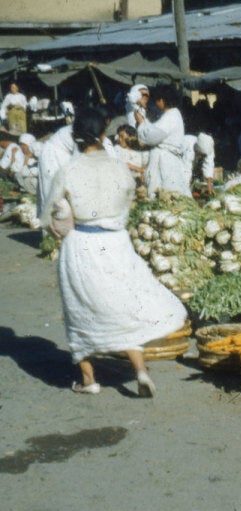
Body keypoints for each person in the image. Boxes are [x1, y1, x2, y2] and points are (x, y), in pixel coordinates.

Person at [44, 108, 187, 396]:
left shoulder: (68, 170)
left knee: (79, 309)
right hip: (116, 242)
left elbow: (50, 217)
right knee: (123, 306)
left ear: (74, 137)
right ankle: (141, 371)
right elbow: (128, 202)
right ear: (102, 135)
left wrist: (63, 222)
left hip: (82, 243)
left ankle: (88, 380)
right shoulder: (119, 168)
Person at [137, 85, 189, 198]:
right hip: (169, 157)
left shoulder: (171, 116)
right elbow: (156, 126)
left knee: (167, 192)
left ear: (161, 100)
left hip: (166, 160)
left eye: (156, 100)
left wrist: (141, 122)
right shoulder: (171, 114)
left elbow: (153, 136)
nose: (155, 103)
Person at [37, 123, 77, 221]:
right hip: (52, 157)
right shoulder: (83, 129)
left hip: (62, 154)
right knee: (51, 194)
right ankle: (51, 227)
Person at [182, 132, 216, 197]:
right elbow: (186, 170)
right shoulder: (189, 146)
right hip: (180, 159)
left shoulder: (209, 147)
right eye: (202, 155)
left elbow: (209, 164)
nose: (203, 157)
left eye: (204, 155)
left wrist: (209, 185)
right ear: (198, 150)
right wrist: (186, 191)